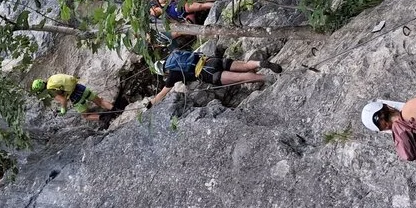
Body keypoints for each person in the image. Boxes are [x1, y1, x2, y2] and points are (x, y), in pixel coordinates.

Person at [144, 47, 281, 106]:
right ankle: (259, 63)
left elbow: (162, 94)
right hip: (211, 60)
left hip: (209, 73)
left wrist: (150, 104)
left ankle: (267, 78)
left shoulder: (172, 75)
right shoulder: (176, 55)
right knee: (245, 65)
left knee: (242, 78)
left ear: (163, 71)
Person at [31, 73, 114, 121]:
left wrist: (63, 109)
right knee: (100, 102)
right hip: (80, 87)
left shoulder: (50, 90)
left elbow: (63, 100)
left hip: (75, 97)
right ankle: (115, 109)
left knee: (86, 116)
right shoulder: (52, 78)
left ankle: (106, 118)